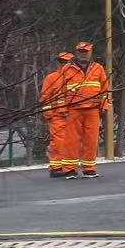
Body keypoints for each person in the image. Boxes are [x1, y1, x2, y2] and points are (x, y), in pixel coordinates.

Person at [67, 41, 110, 177]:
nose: (83, 55)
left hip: (92, 110)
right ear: (76, 52)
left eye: (86, 52)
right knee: (71, 141)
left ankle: (89, 168)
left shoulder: (98, 69)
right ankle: (70, 169)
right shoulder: (67, 69)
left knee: (91, 140)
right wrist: (60, 109)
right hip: (73, 110)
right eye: (81, 52)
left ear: (91, 53)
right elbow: (59, 91)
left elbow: (106, 89)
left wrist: (104, 106)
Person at [39, 51, 78, 178]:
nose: (65, 64)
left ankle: (68, 166)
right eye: (62, 61)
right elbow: (45, 97)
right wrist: (48, 114)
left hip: (73, 115)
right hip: (58, 116)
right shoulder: (51, 78)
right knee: (58, 142)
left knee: (72, 142)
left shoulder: (76, 77)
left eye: (67, 61)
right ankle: (56, 167)